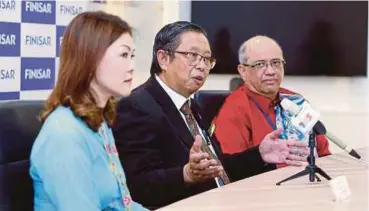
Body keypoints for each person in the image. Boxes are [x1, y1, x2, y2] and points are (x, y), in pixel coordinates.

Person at [112, 21, 309, 209]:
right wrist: (186, 174)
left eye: (207, 59)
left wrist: (261, 155)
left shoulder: (191, 106)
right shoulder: (136, 106)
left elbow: (217, 168)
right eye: (192, 55)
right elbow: (137, 187)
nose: (202, 66)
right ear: (163, 58)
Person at [29, 11, 147, 211]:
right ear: (90, 58)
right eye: (124, 55)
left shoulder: (98, 121)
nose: (132, 66)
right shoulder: (64, 135)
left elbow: (121, 204)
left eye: (132, 56)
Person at [212, 35, 331, 160]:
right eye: (260, 64)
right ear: (243, 71)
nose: (270, 71)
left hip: (311, 176)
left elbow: (323, 153)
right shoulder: (233, 111)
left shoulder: (296, 101)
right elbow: (233, 170)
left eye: (276, 63)